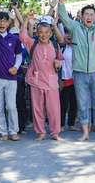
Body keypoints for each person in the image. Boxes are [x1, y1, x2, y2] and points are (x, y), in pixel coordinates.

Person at [58, 0, 95, 142]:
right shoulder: (75, 28)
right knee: (83, 105)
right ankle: (85, 133)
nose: (89, 17)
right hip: (79, 74)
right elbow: (64, 18)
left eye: (91, 14)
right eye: (86, 14)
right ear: (82, 16)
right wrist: (61, 2)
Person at [19, 13, 65, 141]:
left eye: (46, 32)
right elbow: (22, 35)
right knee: (37, 108)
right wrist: (27, 20)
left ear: (50, 33)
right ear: (37, 33)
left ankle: (55, 133)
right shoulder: (32, 44)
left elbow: (60, 61)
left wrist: (58, 64)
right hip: (36, 81)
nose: (44, 35)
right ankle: (41, 132)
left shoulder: (55, 46)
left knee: (54, 109)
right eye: (41, 32)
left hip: (51, 83)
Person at [0, 1, 24, 141]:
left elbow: (19, 55)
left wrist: (16, 67)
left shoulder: (14, 38)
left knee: (12, 106)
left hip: (11, 78)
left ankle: (14, 131)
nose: (1, 24)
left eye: (4, 21)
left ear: (9, 23)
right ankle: (3, 132)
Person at [59, 25, 79, 132]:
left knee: (74, 103)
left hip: (75, 79)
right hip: (63, 80)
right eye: (67, 33)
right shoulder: (61, 47)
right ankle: (61, 125)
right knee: (63, 103)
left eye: (71, 33)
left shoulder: (77, 47)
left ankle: (71, 124)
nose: (69, 35)